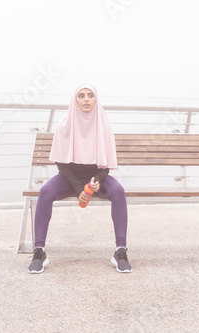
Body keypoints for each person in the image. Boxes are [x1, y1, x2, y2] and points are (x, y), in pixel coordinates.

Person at [27, 83, 132, 274]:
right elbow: (62, 163)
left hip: (96, 177)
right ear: (74, 100)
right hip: (69, 177)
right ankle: (39, 251)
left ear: (96, 99)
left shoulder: (105, 126)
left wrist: (96, 181)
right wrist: (80, 190)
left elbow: (105, 164)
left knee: (118, 191)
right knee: (45, 191)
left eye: (90, 96)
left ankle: (121, 251)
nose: (86, 100)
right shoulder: (63, 126)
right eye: (81, 96)